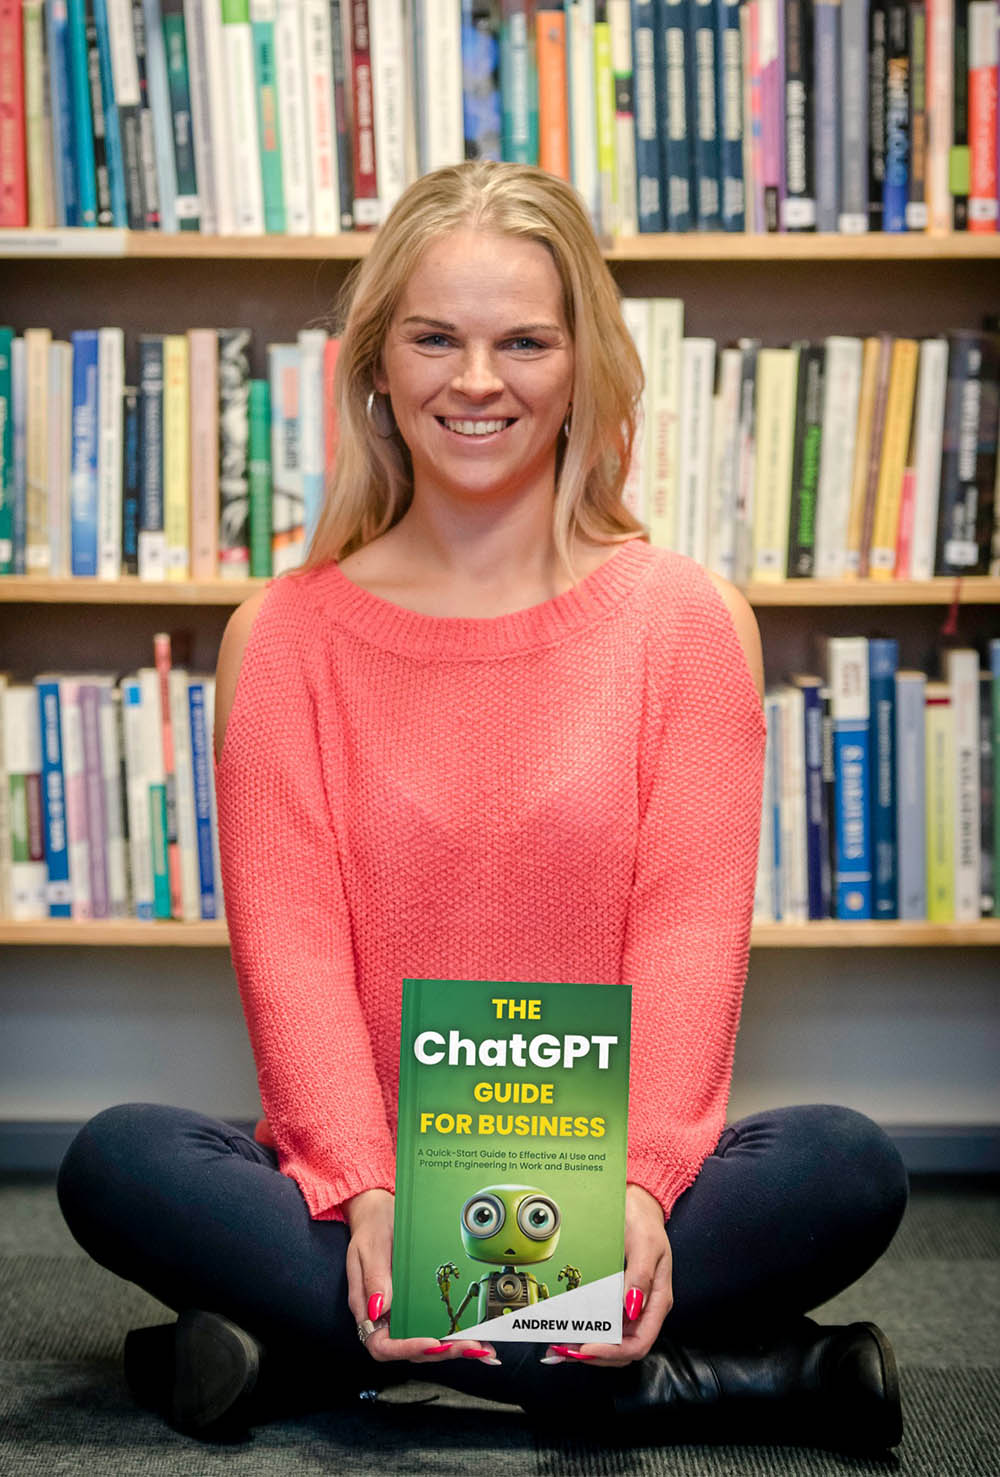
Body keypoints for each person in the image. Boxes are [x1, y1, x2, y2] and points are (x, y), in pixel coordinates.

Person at [57, 161, 908, 1452]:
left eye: (524, 341)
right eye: (435, 337)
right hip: (376, 1195)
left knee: (846, 1166)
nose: (476, 380)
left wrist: (634, 1188)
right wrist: (373, 1191)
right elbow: (293, 958)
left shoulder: (684, 620)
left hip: (612, 1173)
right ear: (374, 363)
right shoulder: (282, 638)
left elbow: (686, 938)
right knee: (116, 1159)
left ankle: (306, 1358)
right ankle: (706, 1376)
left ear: (582, 366)